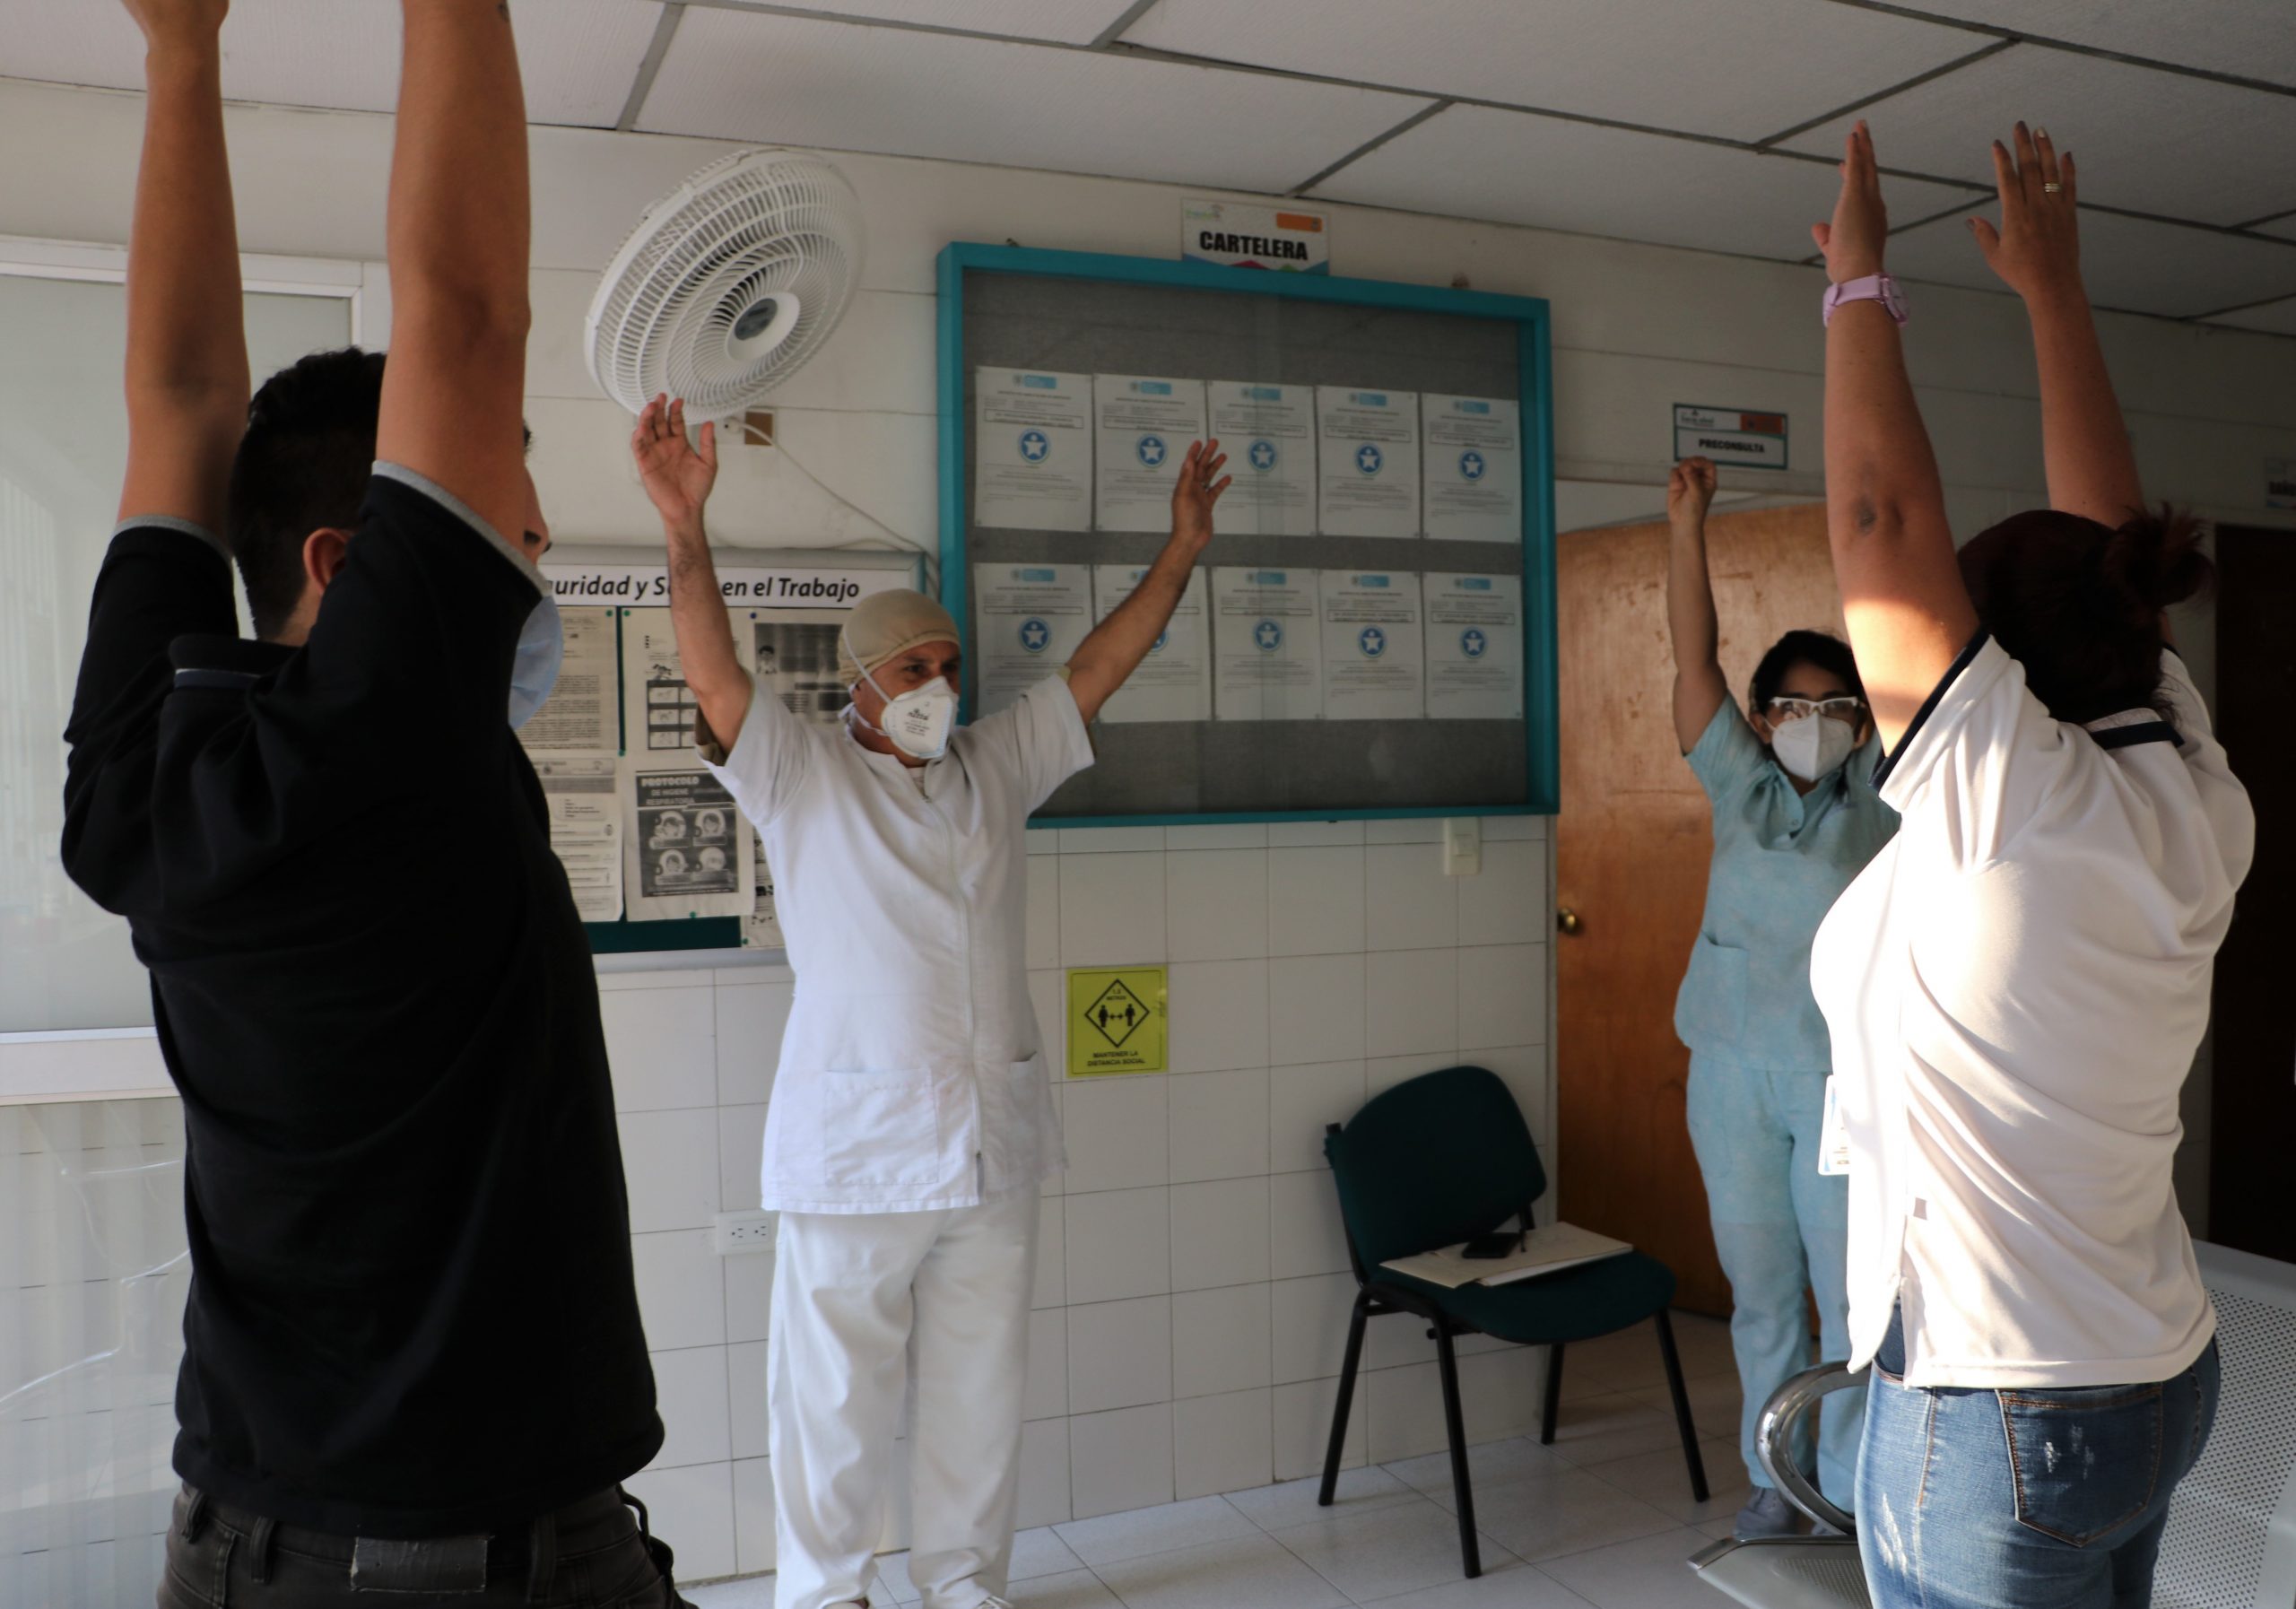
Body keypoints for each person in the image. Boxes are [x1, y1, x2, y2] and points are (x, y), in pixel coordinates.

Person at [60, 2, 680, 1603]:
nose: (530, 575)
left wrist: (182, 47)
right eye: (518, 547)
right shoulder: (390, 739)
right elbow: (462, 311)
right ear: (350, 567)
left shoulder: (148, 776)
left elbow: (183, 399)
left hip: (255, 1527)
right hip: (466, 1557)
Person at [631, 394, 1228, 1609]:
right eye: (916, 668)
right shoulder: (800, 772)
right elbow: (714, 671)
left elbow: (1098, 667)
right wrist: (684, 526)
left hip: (991, 1144)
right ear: (862, 680)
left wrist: (1181, 551)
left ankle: (962, 1582)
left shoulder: (994, 765)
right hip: (856, 1151)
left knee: (979, 1386)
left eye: (950, 667)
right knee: (833, 1394)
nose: (939, 685)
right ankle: (827, 1592)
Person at [1809, 120, 2250, 1609]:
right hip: (2144, 1374)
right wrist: (2052, 294)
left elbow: (1881, 518)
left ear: (2002, 676)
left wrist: (1861, 286)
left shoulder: (2017, 801)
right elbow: (2111, 548)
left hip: (2006, 1406)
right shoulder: (2178, 772)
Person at [1664, 454, 1894, 1535]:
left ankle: (1845, 1493)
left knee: (1848, 1299)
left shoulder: (1884, 793)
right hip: (1728, 1077)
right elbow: (1690, 656)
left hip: (1840, 1085)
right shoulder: (1737, 783)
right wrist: (1687, 526)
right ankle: (1777, 1479)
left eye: (1835, 705)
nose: (1814, 720)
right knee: (1759, 1294)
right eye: (1794, 705)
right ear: (1760, 718)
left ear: (1862, 717)